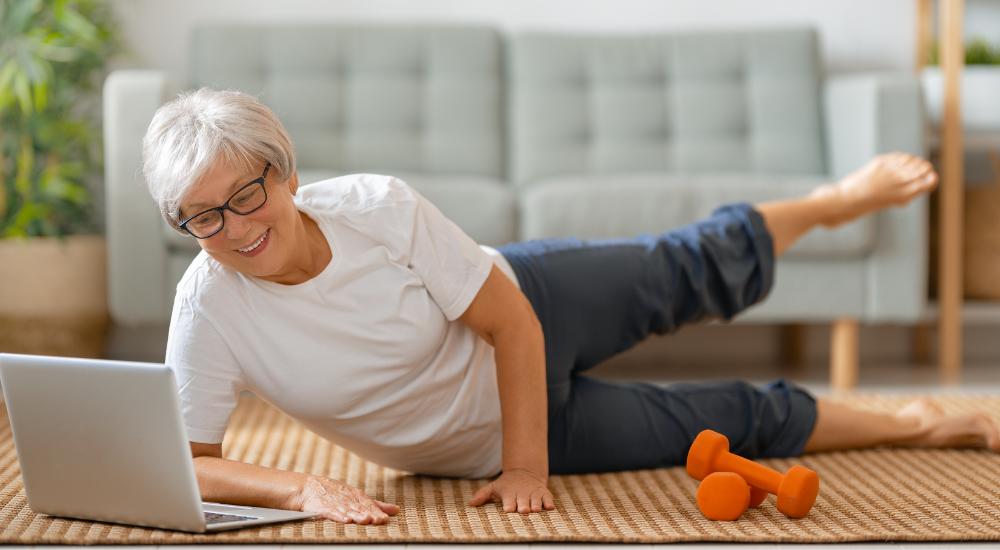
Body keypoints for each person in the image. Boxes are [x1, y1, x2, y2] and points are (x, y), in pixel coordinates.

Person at [142, 88, 1000, 526]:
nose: (235, 228)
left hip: (527, 300)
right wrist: (302, 489)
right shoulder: (208, 306)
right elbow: (190, 459)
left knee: (692, 267)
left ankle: (834, 200)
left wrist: (527, 468)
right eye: (202, 218)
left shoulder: (375, 207)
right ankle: (931, 423)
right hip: (471, 448)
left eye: (246, 194)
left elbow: (509, 323)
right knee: (732, 418)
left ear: (284, 172)